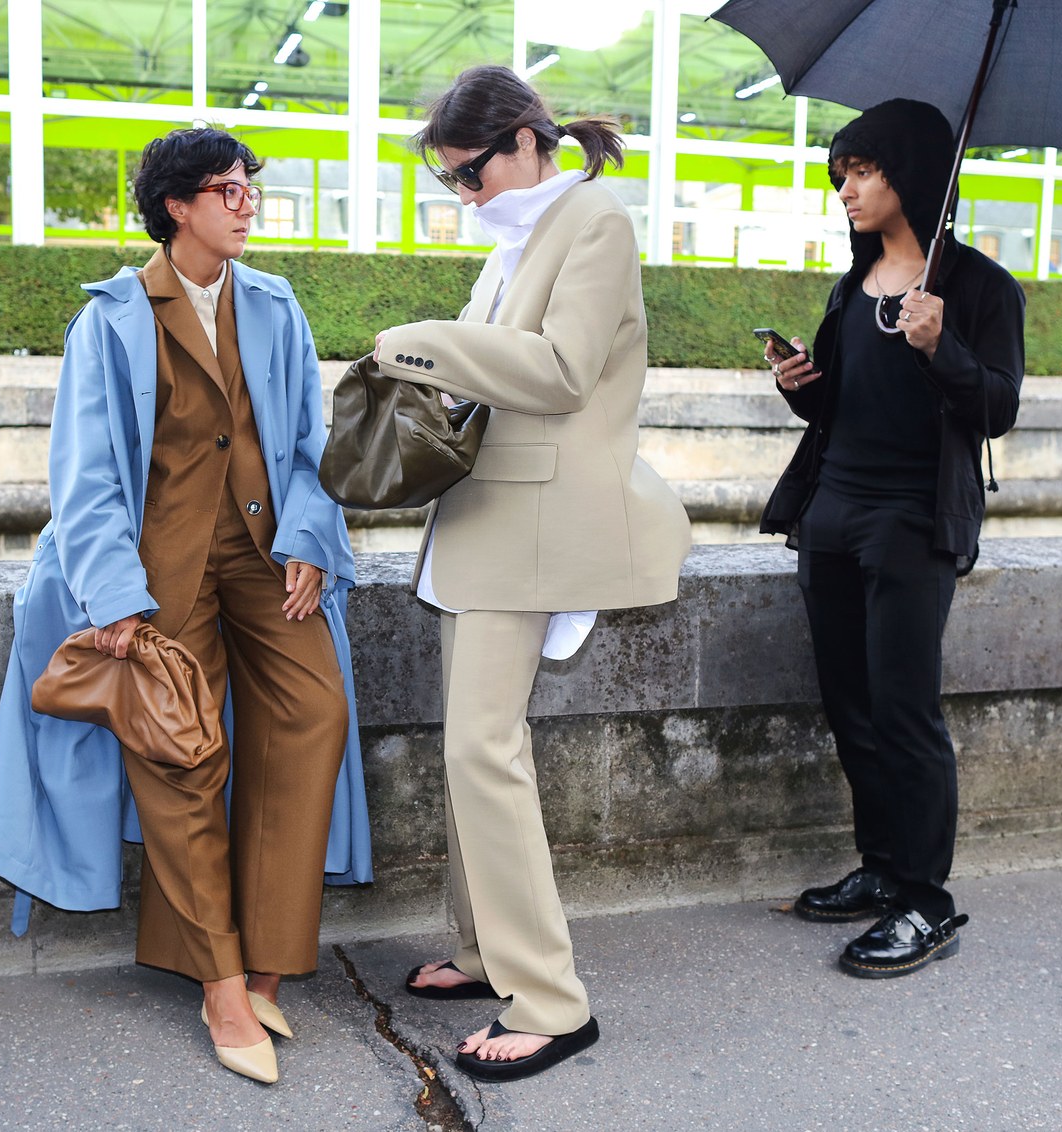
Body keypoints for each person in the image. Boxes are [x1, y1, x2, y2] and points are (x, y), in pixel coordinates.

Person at [0, 127, 369, 1086]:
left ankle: (266, 957)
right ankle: (221, 982)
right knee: (183, 752)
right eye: (225, 190)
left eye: (249, 187)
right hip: (153, 574)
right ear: (175, 208)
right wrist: (112, 598)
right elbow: (85, 479)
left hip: (265, 556)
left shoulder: (276, 305)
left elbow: (312, 446)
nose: (246, 203)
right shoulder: (109, 319)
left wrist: (311, 540)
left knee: (312, 715)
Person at [373, 65, 691, 1081]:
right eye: (452, 183)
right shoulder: (521, 232)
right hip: (490, 520)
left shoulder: (590, 218)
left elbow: (559, 370)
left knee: (482, 751)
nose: (465, 195)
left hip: (537, 523)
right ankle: (483, 952)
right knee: (476, 747)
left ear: (522, 140)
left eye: (470, 173)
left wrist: (421, 345)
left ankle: (551, 999)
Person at [761, 99, 1024, 978]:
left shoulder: (981, 289)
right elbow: (840, 403)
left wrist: (942, 345)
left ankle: (926, 901)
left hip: (914, 520)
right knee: (849, 703)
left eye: (862, 172)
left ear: (909, 176)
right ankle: (880, 869)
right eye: (841, 175)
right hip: (833, 511)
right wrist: (801, 384)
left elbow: (997, 410)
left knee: (906, 713)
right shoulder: (856, 280)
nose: (846, 190)